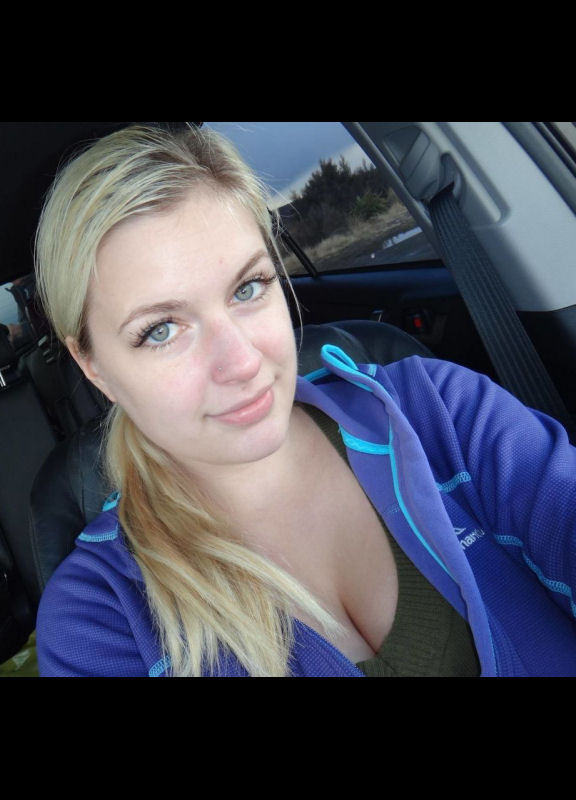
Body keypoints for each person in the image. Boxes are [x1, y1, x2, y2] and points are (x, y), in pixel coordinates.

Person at [33, 123, 576, 677]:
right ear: (93, 365)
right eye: (161, 330)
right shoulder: (97, 622)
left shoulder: (439, 410)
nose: (243, 362)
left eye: (248, 288)